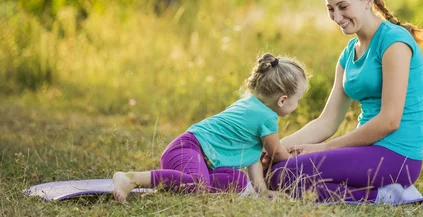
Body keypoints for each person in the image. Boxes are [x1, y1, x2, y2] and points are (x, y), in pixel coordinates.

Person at [265, 0, 423, 204]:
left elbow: (390, 120)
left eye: (343, 7)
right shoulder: (348, 54)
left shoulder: (394, 41)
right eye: (331, 9)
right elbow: (327, 121)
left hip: (398, 155)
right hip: (366, 151)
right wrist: (276, 150)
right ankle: (383, 193)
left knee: (285, 175)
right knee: (276, 170)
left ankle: (387, 194)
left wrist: (325, 149)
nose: (337, 17)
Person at [112, 53, 308, 203]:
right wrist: (300, 161)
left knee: (238, 181)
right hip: (188, 149)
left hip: (196, 161)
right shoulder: (267, 117)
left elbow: (254, 158)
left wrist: (262, 191)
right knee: (198, 184)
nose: (297, 105)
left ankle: (172, 185)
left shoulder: (250, 104)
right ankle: (130, 178)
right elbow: (277, 154)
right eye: (297, 100)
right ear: (283, 100)